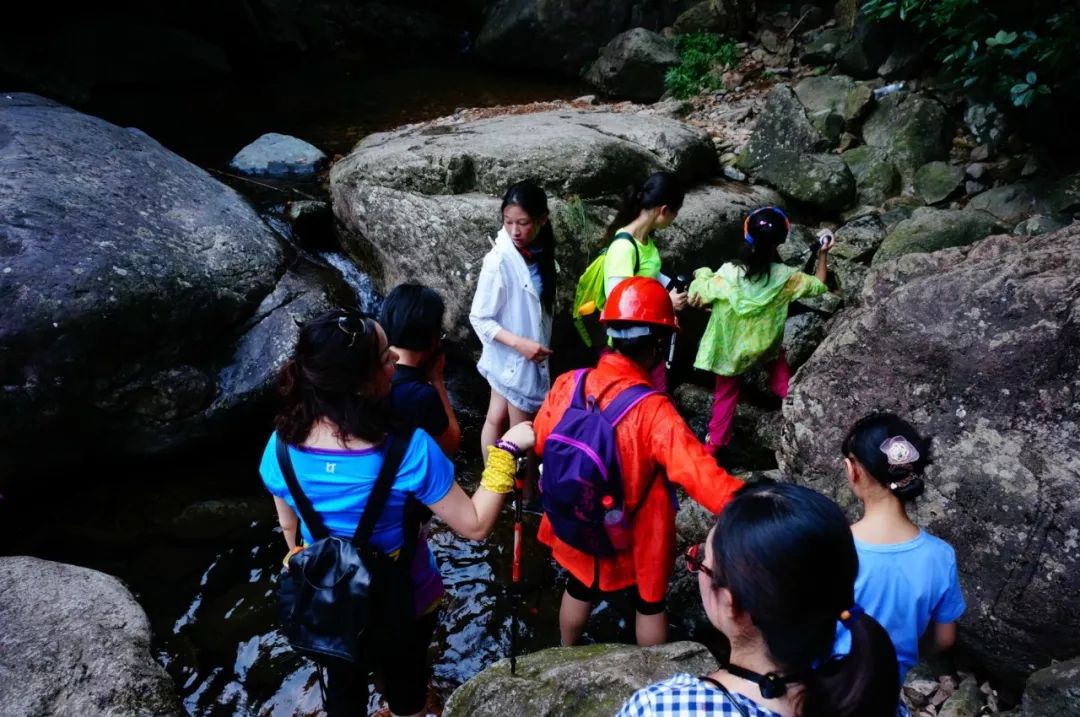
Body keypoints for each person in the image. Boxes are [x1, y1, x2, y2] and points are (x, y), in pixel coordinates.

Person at [258, 309, 534, 717]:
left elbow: (288, 525)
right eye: (385, 356)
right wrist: (506, 452)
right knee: (407, 690)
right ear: (361, 383)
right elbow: (475, 525)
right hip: (405, 598)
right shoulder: (409, 451)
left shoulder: (280, 447)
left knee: (342, 683)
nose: (395, 359)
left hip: (329, 603)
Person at [534, 277, 744, 648]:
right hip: (637, 528)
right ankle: (652, 674)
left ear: (611, 336)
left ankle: (565, 653)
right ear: (659, 345)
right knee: (650, 605)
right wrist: (757, 504)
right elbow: (704, 480)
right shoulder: (654, 411)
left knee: (579, 586)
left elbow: (540, 441)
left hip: (580, 512)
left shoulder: (570, 383)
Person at [619, 482, 900, 717]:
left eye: (702, 563)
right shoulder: (872, 697)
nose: (699, 570)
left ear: (732, 603)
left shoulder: (662, 708)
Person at [687, 206, 832, 457]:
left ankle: (715, 444)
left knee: (726, 394)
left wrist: (701, 273)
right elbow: (819, 284)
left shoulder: (728, 273)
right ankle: (796, 407)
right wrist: (823, 254)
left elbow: (697, 294)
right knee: (778, 367)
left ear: (747, 235)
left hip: (732, 352)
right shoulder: (787, 278)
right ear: (781, 241)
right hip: (765, 345)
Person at [835, 412, 965, 684]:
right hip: (888, 690)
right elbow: (945, 638)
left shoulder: (832, 546)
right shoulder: (940, 555)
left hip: (828, 689)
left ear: (853, 470)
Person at [469, 181, 556, 465]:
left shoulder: (539, 252)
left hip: (520, 352)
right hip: (515, 354)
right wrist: (520, 345)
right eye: (508, 222)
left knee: (496, 417)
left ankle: (493, 481)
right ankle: (519, 489)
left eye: (523, 223)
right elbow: (479, 317)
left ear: (542, 220)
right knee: (523, 434)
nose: (514, 231)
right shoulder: (498, 261)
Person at [601, 171, 689, 392]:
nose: (674, 219)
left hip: (648, 344)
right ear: (664, 210)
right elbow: (617, 303)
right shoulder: (623, 248)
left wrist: (685, 292)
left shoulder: (646, 241)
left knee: (655, 398)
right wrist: (666, 303)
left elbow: (653, 275)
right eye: (675, 212)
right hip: (627, 349)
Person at [380, 283, 461, 457]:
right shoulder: (421, 395)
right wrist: (437, 381)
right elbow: (451, 444)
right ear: (433, 337)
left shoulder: (367, 370)